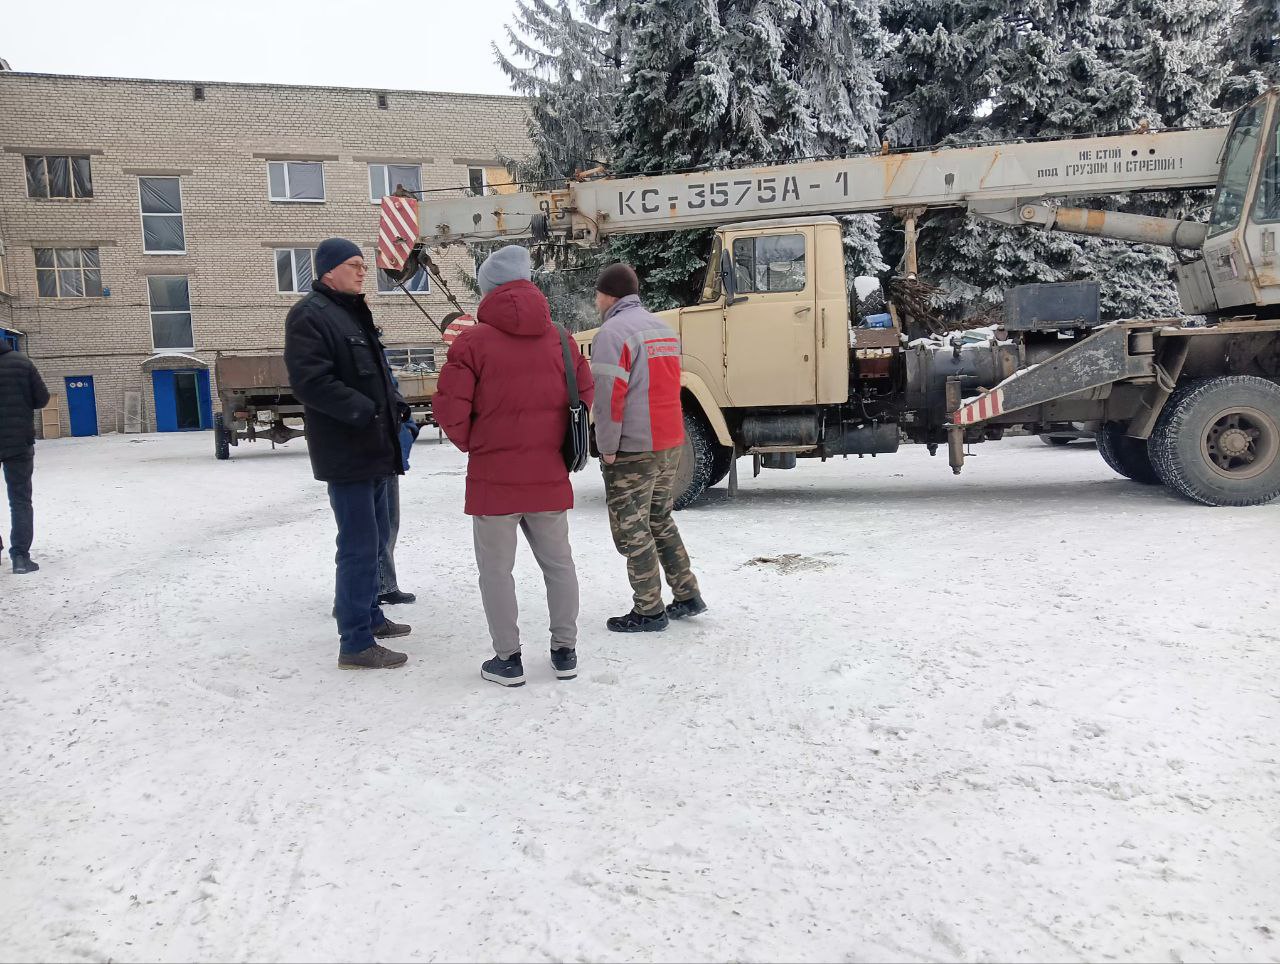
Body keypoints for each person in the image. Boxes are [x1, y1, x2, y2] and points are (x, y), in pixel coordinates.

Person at [433, 245, 594, 687]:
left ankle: (508, 660)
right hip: (547, 475)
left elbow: (450, 409)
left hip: (494, 479)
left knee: (496, 572)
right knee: (559, 565)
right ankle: (565, 652)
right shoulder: (561, 338)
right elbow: (584, 393)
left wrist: (477, 444)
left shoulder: (471, 343)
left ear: (488, 290)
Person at [284, 238, 413, 670]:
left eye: (362, 265)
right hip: (347, 453)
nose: (362, 272)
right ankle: (355, 642)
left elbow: (375, 375)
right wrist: (367, 411)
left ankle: (371, 616)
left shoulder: (351, 312)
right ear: (329, 270)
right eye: (354, 265)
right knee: (358, 546)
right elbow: (310, 382)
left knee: (374, 542)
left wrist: (394, 408)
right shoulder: (310, 315)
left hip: (374, 449)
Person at [589, 263, 706, 632]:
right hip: (669, 441)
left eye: (598, 294)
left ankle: (649, 610)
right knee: (659, 519)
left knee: (632, 528)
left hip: (634, 447)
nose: (596, 301)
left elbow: (608, 399)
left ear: (609, 295)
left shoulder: (612, 334)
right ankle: (687, 593)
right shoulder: (662, 329)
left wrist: (607, 446)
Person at [0, 339, 50, 575]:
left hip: (17, 441)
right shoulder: (21, 362)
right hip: (18, 443)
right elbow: (42, 399)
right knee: (20, 500)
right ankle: (20, 557)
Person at [377, 371, 419, 607]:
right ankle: (381, 585)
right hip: (377, 450)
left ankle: (383, 583)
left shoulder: (376, 355)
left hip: (388, 449)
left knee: (388, 523)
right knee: (380, 524)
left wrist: (407, 429)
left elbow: (393, 395)